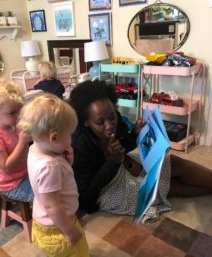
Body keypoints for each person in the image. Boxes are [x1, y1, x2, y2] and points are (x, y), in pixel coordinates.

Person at [70, 80, 212, 223]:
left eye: (112, 117)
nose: (109, 125)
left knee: (173, 163)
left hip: (122, 164)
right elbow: (86, 194)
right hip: (103, 189)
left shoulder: (114, 118)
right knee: (163, 186)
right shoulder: (78, 146)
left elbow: (124, 145)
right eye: (100, 122)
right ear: (85, 121)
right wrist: (113, 161)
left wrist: (135, 134)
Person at [18, 94, 95, 257]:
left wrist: (66, 164)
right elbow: (53, 206)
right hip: (59, 226)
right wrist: (69, 231)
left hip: (42, 224)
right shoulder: (50, 166)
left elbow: (49, 188)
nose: (71, 139)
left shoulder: (35, 150)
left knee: (58, 254)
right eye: (69, 134)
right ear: (53, 138)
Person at [0, 80, 33, 202]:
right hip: (11, 185)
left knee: (55, 181)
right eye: (12, 113)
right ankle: (44, 219)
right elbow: (6, 167)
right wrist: (22, 143)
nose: (18, 116)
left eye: (20, 110)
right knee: (46, 194)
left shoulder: (14, 124)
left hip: (27, 173)